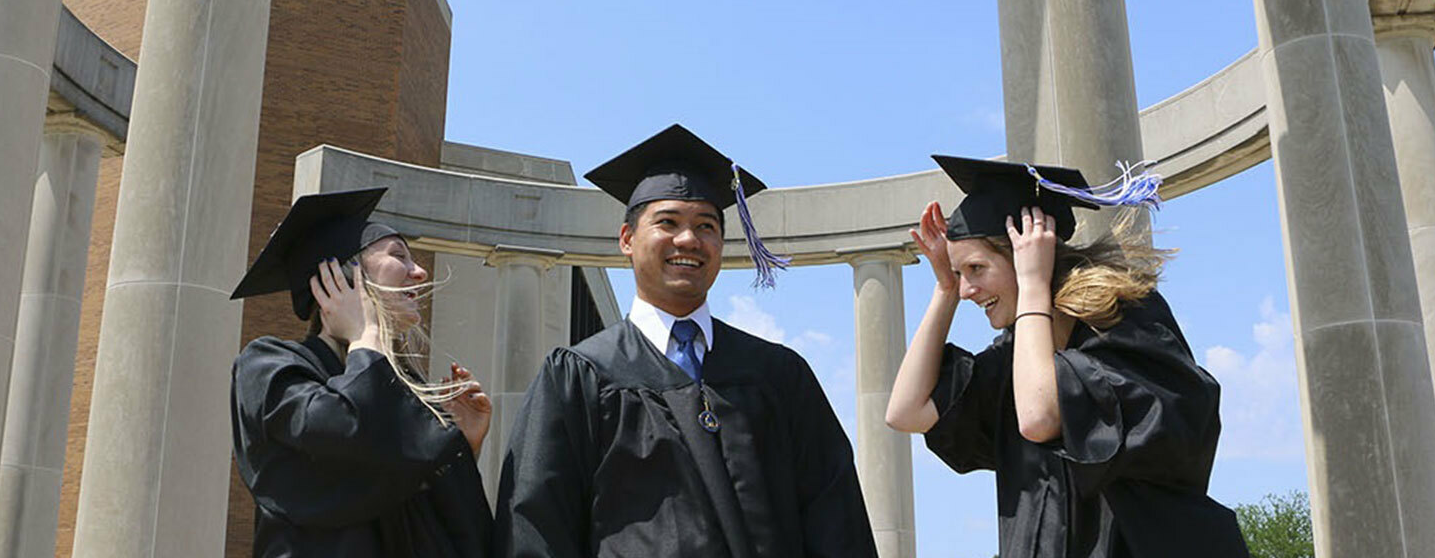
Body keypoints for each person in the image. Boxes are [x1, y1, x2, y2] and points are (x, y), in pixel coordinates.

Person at [492, 124, 877, 558]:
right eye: (668, 222)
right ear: (627, 240)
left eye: (706, 226)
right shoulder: (580, 377)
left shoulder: (778, 374)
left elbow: (837, 519)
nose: (689, 239)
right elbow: (535, 529)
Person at [884, 156, 1251, 558]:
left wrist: (1034, 284)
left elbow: (1039, 416)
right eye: (959, 275)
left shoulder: (1127, 325)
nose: (968, 288)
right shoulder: (1014, 358)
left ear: (1026, 255)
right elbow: (906, 411)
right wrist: (944, 291)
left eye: (976, 268)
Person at [229, 187, 494, 557]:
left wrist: (458, 449)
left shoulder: (403, 390)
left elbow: (455, 534)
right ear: (342, 277)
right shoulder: (270, 366)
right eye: (399, 256)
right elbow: (342, 435)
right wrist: (365, 335)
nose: (420, 272)